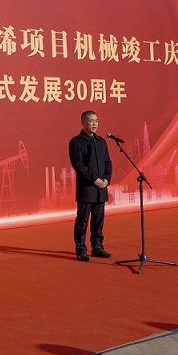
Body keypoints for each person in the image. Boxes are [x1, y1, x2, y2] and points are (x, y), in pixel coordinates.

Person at [68, 110, 113, 262]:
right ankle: (81, 249)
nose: (94, 124)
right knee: (83, 221)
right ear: (83, 123)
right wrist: (94, 179)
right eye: (91, 121)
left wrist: (106, 179)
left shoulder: (101, 142)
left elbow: (108, 162)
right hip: (87, 188)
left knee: (98, 220)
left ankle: (97, 246)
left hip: (101, 188)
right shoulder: (76, 142)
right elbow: (78, 165)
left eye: (96, 121)